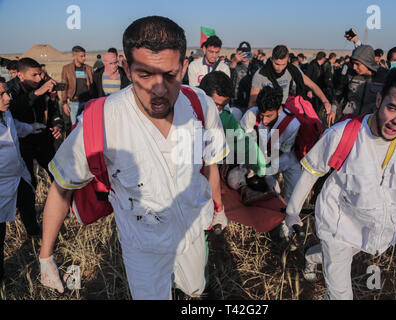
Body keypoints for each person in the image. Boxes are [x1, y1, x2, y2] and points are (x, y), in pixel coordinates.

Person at [38, 15, 229, 300]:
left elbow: (210, 162)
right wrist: (45, 257)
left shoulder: (200, 105)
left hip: (192, 231)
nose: (159, 89)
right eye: (145, 75)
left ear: (184, 67)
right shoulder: (101, 122)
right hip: (143, 246)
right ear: (126, 68)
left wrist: (218, 207)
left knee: (194, 288)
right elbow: (61, 187)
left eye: (170, 74)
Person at [284, 65, 396, 299]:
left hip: (374, 232)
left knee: (337, 255)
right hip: (338, 228)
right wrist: (292, 213)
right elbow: (312, 171)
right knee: (340, 294)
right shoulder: (342, 134)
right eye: (393, 108)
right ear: (380, 99)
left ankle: (313, 256)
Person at [240, 86, 302, 240]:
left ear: (279, 109)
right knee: (271, 192)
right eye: (262, 115)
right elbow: (242, 140)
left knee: (291, 196)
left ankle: (285, 232)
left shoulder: (292, 124)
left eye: (269, 115)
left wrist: (266, 169)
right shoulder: (251, 115)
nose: (265, 120)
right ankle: (264, 224)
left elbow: (282, 152)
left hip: (287, 160)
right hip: (263, 157)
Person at [0, 78, 46, 281]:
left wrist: (33, 127)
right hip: (1, 185)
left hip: (17, 175)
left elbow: (16, 128)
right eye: (1, 94)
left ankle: (35, 234)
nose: (7, 97)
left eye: (6, 92)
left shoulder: (6, 113)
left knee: (28, 202)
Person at [7, 58, 63, 188]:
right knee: (29, 182)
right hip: (21, 143)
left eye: (40, 74)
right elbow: (14, 107)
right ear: (20, 75)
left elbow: (53, 109)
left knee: (57, 175)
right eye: (34, 75)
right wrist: (37, 93)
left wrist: (57, 124)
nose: (38, 79)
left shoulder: (43, 85)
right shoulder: (9, 89)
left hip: (43, 139)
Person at [248, 45, 333, 126]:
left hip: (285, 114)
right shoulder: (261, 74)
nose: (280, 68)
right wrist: (251, 123)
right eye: (277, 64)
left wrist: (325, 101)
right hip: (267, 118)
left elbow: (312, 85)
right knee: (269, 140)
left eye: (283, 64)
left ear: (288, 60)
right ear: (271, 59)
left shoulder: (292, 69)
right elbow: (252, 102)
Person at [334, 45, 388, 118]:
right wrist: (333, 109)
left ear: (367, 62)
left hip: (370, 122)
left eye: (357, 64)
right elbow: (339, 92)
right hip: (349, 118)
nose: (354, 67)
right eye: (353, 63)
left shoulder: (384, 76)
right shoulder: (350, 74)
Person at [60, 46, 94, 125]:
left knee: (88, 126)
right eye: (81, 56)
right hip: (74, 104)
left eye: (84, 56)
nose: (84, 58)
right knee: (75, 128)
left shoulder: (89, 69)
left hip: (88, 103)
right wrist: (64, 103)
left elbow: (93, 86)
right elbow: (64, 87)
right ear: (74, 56)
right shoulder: (66, 69)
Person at [229, 41, 259, 114]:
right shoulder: (234, 65)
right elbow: (229, 75)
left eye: (247, 53)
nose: (244, 55)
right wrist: (234, 62)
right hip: (236, 103)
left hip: (250, 102)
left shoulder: (255, 67)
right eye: (242, 53)